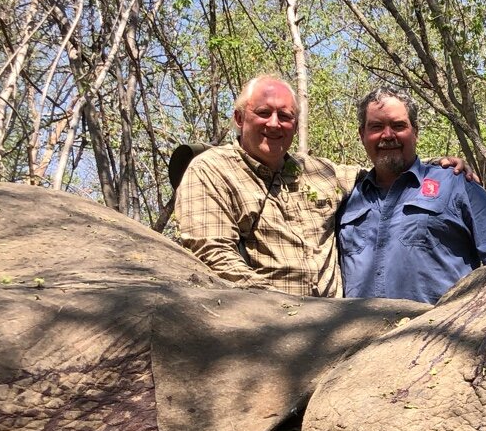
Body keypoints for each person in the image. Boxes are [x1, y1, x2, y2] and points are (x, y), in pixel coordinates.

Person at [174, 76, 470, 297]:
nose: (275, 124)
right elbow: (213, 255)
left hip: (333, 329)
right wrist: (283, 307)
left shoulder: (319, 172)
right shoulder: (210, 170)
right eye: (264, 113)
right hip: (262, 324)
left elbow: (382, 169)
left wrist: (435, 166)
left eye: (286, 116)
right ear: (239, 118)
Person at [339, 87, 486, 303]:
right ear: (361, 135)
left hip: (442, 333)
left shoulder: (455, 183)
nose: (388, 135)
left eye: (398, 126)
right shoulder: (346, 199)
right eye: (376, 127)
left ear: (416, 133)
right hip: (362, 335)